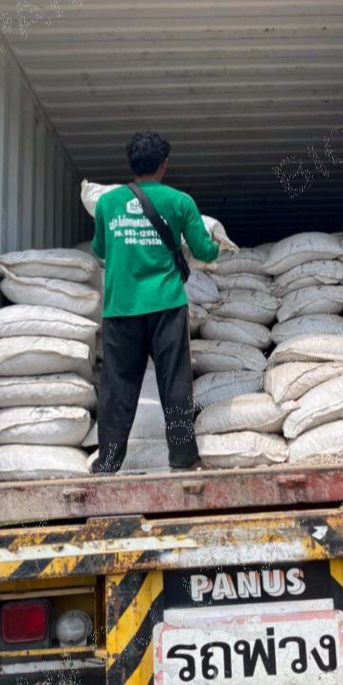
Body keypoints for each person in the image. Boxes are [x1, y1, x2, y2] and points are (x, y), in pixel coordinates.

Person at [90, 131, 220, 474]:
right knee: (175, 384)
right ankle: (183, 457)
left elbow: (100, 248)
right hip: (166, 306)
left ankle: (107, 463)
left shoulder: (107, 203)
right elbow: (204, 250)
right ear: (164, 164)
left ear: (131, 164)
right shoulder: (180, 202)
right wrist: (217, 246)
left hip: (121, 308)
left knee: (117, 390)